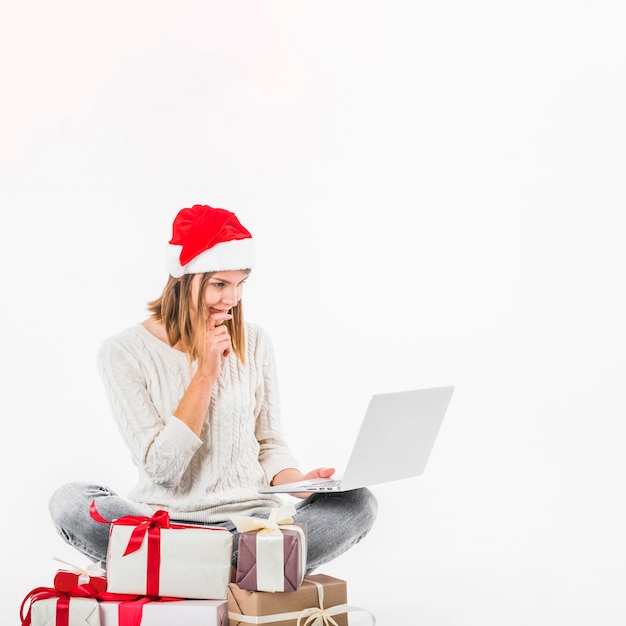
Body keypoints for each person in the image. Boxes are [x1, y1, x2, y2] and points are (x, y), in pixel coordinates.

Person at [49, 203, 377, 574]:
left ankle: (183, 571)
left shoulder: (254, 342)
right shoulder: (123, 352)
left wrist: (298, 483)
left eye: (239, 285)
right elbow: (162, 469)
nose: (232, 300)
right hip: (164, 525)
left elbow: (268, 443)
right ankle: (240, 572)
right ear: (183, 279)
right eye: (219, 284)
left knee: (358, 504)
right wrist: (205, 372)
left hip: (250, 529)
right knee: (70, 502)